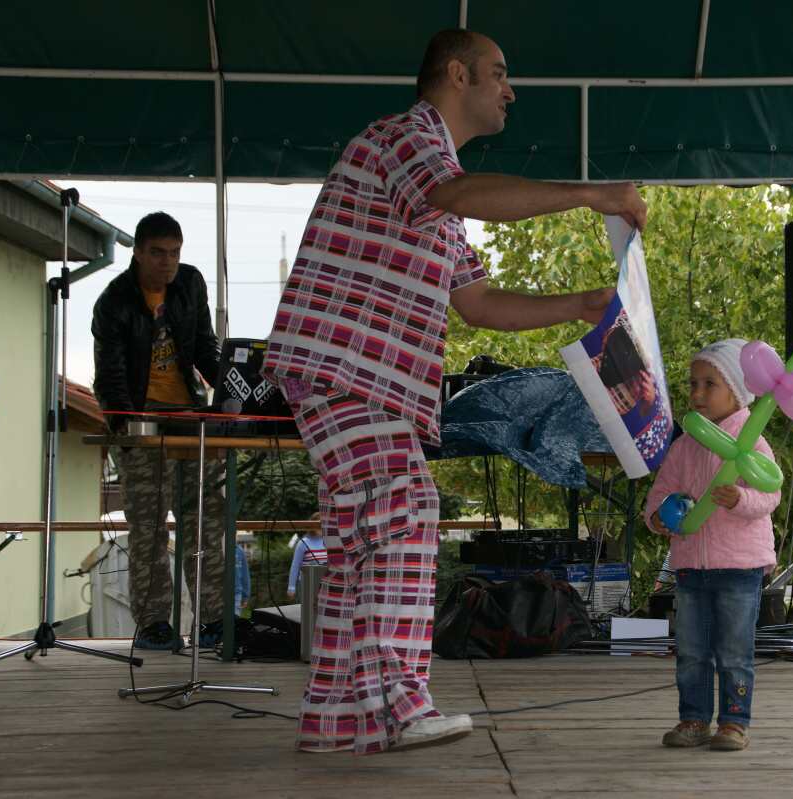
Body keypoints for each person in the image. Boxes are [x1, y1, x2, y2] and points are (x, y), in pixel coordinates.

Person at [261, 29, 646, 756]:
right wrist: (591, 194)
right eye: (499, 73)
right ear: (456, 73)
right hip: (346, 368)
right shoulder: (405, 140)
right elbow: (459, 192)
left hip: (361, 378)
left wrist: (582, 303)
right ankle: (401, 701)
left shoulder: (442, 196)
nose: (511, 91)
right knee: (407, 506)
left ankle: (337, 721)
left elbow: (479, 304)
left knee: (360, 539)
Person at [92, 212, 228, 651]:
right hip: (141, 419)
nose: (167, 262)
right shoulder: (114, 301)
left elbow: (205, 348)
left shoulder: (190, 284)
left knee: (204, 521)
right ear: (137, 252)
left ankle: (212, 621)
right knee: (149, 527)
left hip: (190, 417)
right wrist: (127, 428)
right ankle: (153, 623)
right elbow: (110, 376)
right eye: (157, 253)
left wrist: (234, 390)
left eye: (174, 253)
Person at [643, 338, 781, 752]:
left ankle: (734, 722)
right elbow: (659, 494)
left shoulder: (752, 443)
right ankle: (694, 719)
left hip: (740, 567)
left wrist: (740, 500)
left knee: (734, 651)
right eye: (693, 384)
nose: (698, 393)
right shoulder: (683, 446)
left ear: (737, 392)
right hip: (691, 566)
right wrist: (658, 516)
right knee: (691, 650)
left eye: (710, 384)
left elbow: (770, 495)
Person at [287, 521, 327, 600]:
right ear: (312, 526)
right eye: (319, 526)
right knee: (308, 607)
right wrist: (291, 587)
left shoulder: (329, 541)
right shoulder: (303, 543)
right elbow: (295, 566)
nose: (322, 528)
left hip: (325, 585)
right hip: (306, 585)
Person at [235, 542, 251, 618]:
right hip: (218, 594)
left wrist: (245, 596)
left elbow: (245, 574)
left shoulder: (239, 551)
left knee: (235, 620)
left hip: (236, 594)